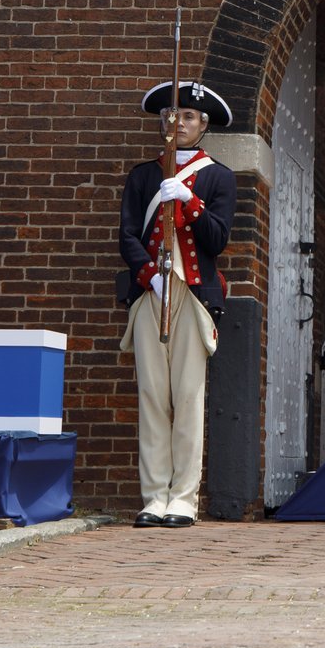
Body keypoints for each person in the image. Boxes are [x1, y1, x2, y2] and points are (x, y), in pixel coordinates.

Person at [117, 80, 234, 528]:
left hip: (194, 293)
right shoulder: (144, 175)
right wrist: (150, 277)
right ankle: (153, 495)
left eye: (186, 117)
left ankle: (184, 497)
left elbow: (217, 241)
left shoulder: (217, 177)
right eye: (170, 116)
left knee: (187, 396)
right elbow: (128, 235)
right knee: (151, 394)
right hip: (152, 291)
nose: (177, 123)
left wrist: (191, 204)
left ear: (202, 125)